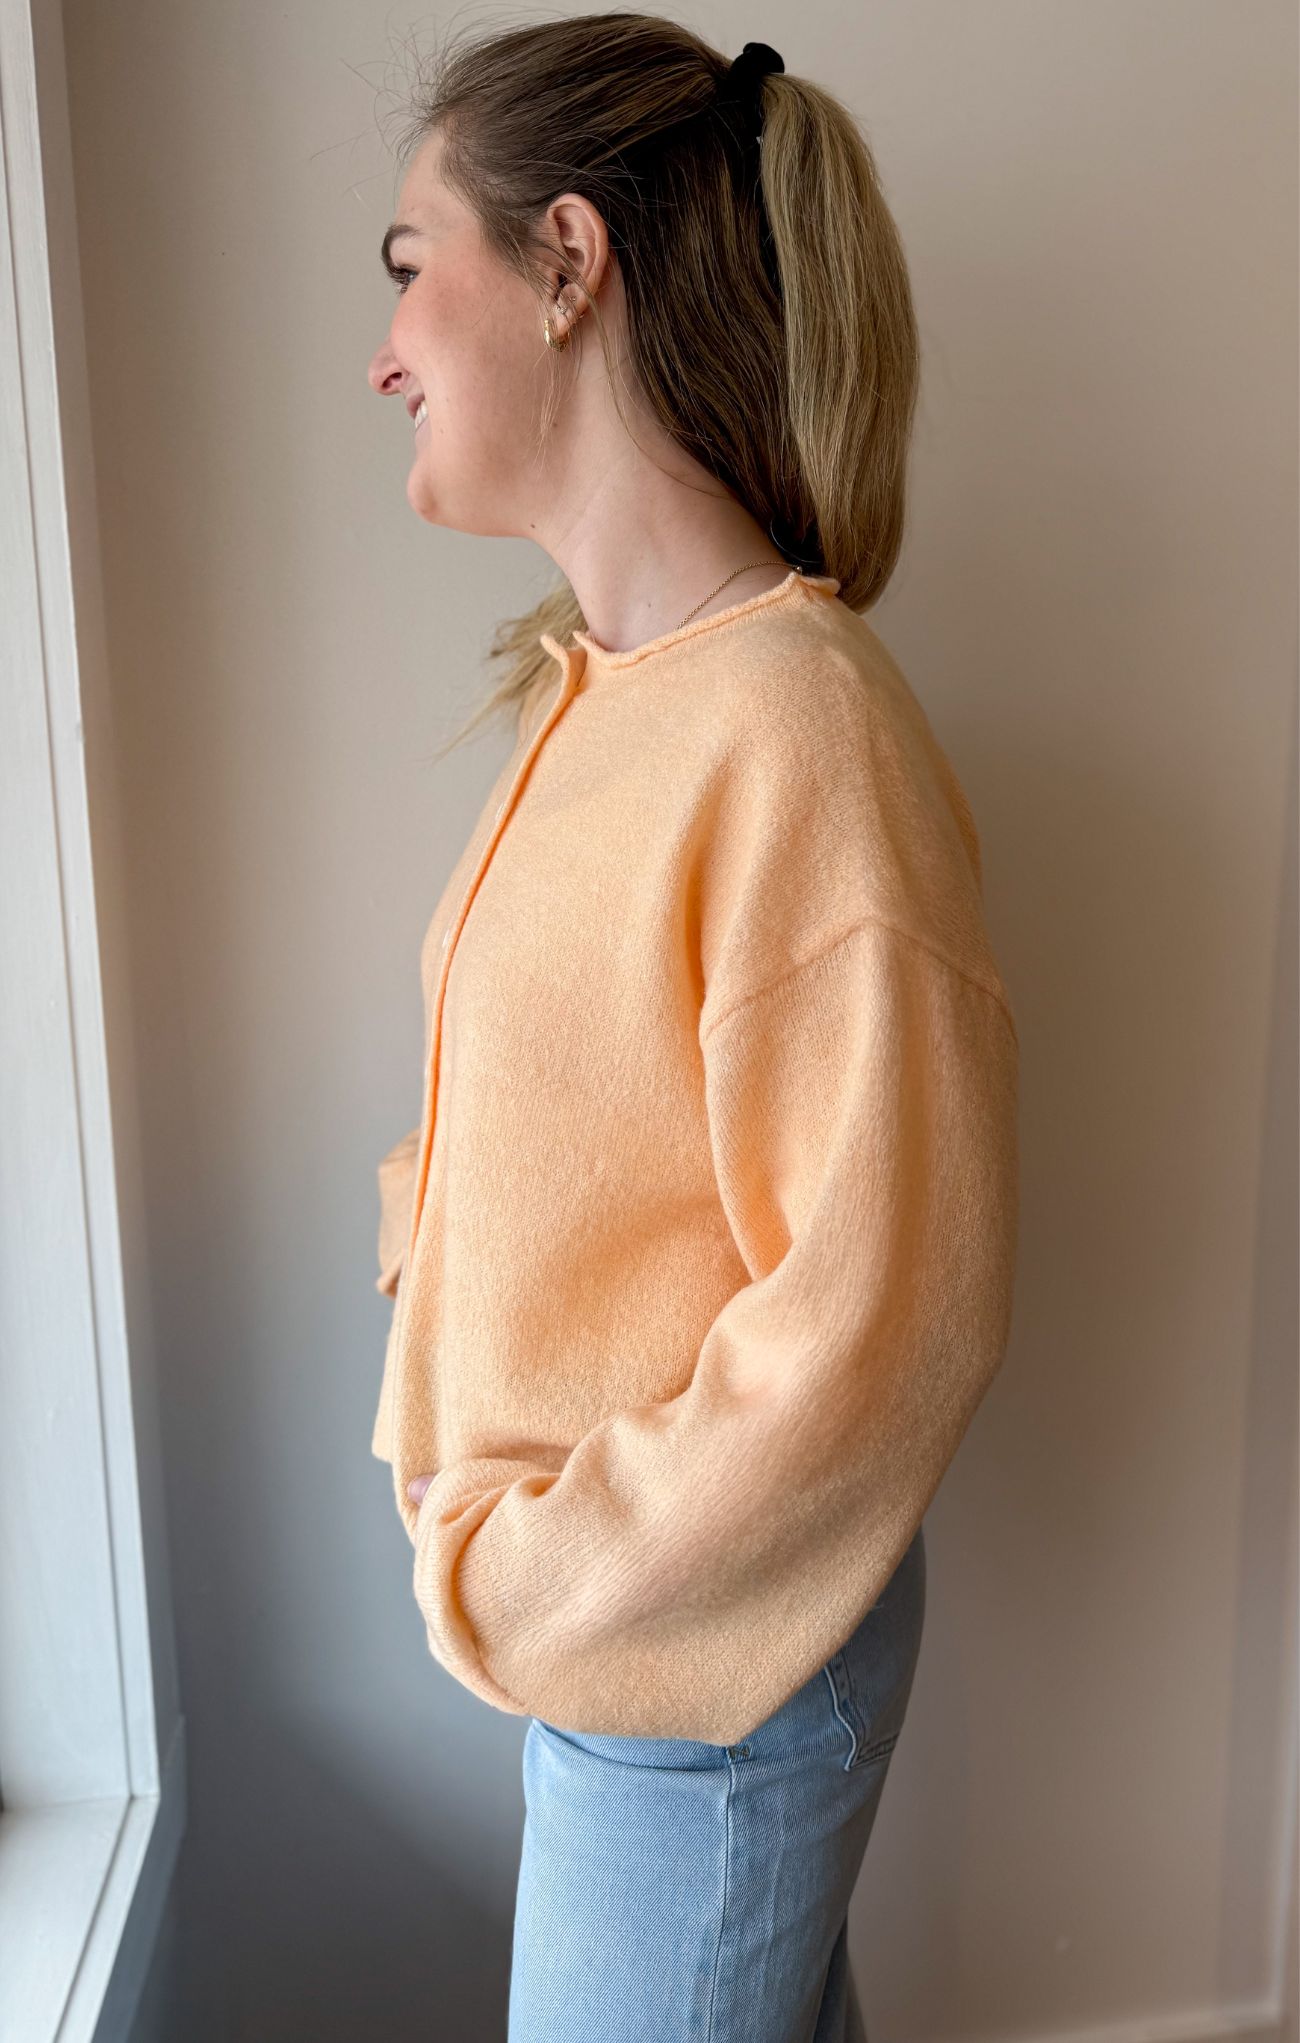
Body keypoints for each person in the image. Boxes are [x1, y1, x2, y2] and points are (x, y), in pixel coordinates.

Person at [365, 16, 1018, 2041]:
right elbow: (543, 1107)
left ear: (566, 262)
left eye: (409, 266)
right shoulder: (610, 697)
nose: (384, 351)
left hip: (702, 1657)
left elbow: (880, 1309)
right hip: (650, 1640)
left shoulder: (794, 730)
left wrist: (534, 1575)